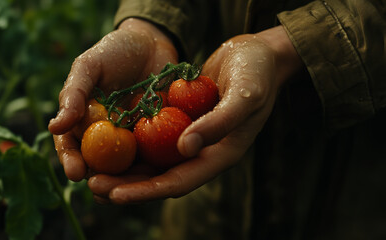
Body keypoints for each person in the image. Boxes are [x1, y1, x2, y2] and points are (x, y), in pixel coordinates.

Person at [49, 0, 386, 239]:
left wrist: (289, 48)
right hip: (210, 199)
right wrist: (148, 22)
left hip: (358, 186)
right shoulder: (160, 109)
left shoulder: (167, 107)